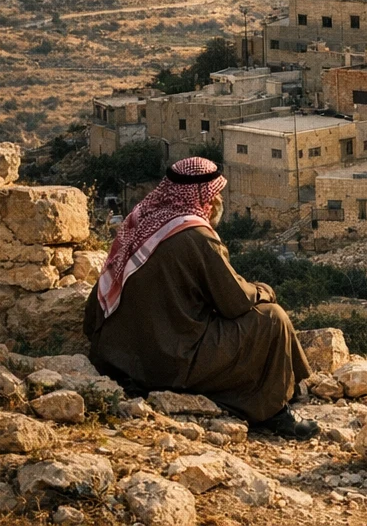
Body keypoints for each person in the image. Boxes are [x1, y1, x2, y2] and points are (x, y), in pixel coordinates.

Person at [83, 157, 315, 437]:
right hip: (170, 361)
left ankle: (289, 387)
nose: (218, 200)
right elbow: (235, 303)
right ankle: (274, 413)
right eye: (215, 193)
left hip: (120, 357)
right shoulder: (196, 236)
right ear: (204, 196)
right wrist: (264, 290)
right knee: (272, 317)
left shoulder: (142, 221)